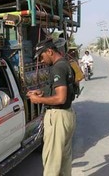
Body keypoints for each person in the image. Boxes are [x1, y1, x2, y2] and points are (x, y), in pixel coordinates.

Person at [26, 38, 76, 176]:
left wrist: (39, 99)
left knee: (52, 162)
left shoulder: (58, 68)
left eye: (42, 56)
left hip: (57, 117)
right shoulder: (65, 64)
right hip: (67, 114)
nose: (41, 61)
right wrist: (42, 92)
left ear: (49, 51)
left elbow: (60, 98)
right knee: (64, 160)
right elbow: (62, 89)